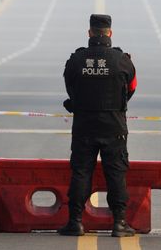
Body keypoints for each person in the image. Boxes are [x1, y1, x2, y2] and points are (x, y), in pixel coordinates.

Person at [59, 14, 137, 238]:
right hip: (114, 126)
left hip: (84, 125)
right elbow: (131, 89)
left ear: (90, 33)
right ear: (110, 33)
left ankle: (75, 222)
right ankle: (119, 223)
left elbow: (70, 88)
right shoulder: (122, 60)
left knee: (81, 172)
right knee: (116, 174)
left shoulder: (76, 60)